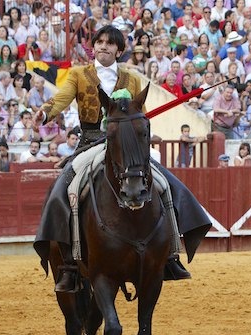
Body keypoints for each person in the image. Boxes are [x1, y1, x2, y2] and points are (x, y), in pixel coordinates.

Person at [32, 26, 211, 292]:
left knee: (165, 185)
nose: (103, 46)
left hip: (125, 148)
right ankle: (68, 264)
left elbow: (142, 114)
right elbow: (61, 99)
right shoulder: (79, 74)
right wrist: (45, 114)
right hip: (91, 143)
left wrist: (148, 134)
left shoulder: (130, 78)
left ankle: (170, 255)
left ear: (118, 49)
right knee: (63, 189)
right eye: (99, 42)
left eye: (109, 43)